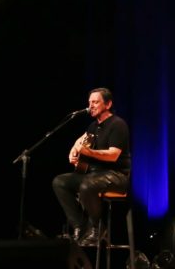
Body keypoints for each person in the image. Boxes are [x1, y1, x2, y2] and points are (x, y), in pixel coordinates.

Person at [52, 87, 131, 246]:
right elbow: (81, 141)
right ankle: (80, 227)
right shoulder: (93, 126)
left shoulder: (118, 124)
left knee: (86, 185)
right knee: (60, 182)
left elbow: (113, 154)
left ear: (108, 104)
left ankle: (96, 228)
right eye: (89, 102)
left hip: (116, 176)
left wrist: (87, 151)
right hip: (93, 174)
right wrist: (74, 150)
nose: (91, 106)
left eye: (95, 102)